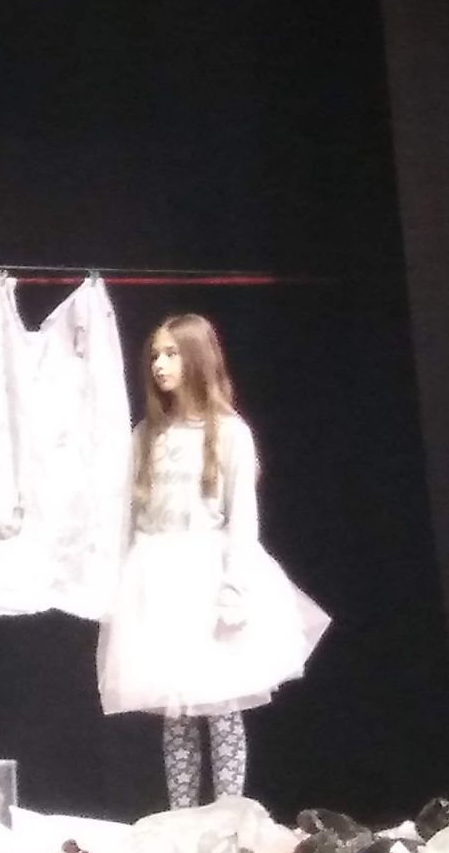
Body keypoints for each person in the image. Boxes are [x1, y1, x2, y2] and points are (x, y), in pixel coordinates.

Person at [96, 314, 330, 809]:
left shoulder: (228, 433)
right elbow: (126, 521)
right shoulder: (146, 435)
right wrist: (115, 587)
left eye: (171, 354)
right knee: (176, 711)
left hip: (208, 574)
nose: (160, 365)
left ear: (196, 358)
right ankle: (182, 817)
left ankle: (227, 817)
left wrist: (233, 590)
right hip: (157, 578)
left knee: (221, 704)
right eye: (155, 355)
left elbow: (243, 518)